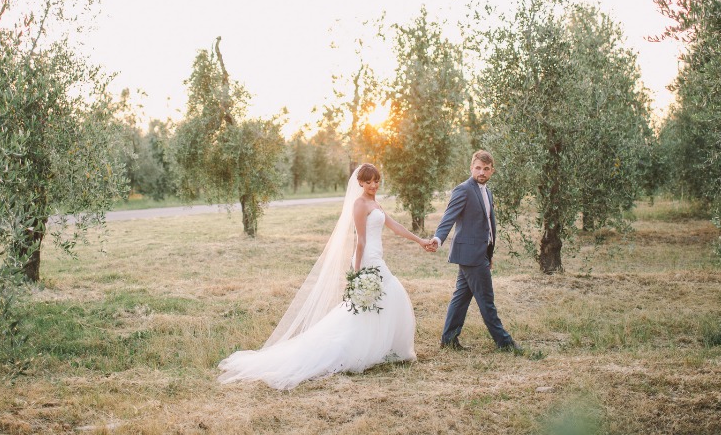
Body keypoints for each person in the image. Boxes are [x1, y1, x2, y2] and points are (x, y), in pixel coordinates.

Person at [218, 163, 433, 389]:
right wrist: (357, 272)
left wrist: (420, 241)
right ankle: (357, 351)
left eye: (376, 181)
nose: (373, 185)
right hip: (368, 260)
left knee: (380, 301)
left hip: (376, 258)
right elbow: (360, 240)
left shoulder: (375, 203)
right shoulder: (359, 204)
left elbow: (394, 225)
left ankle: (382, 349)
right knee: (384, 296)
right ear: (359, 182)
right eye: (368, 181)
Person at [427, 150, 521, 353]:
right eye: (478, 168)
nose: (481, 172)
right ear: (471, 168)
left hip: (480, 253)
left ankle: (448, 339)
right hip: (471, 255)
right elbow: (448, 217)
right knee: (487, 300)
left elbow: (487, 225)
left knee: (461, 297)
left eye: (486, 169)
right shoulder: (463, 189)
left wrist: (489, 254)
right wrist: (438, 238)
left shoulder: (487, 191)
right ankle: (505, 343)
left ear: (492, 171)